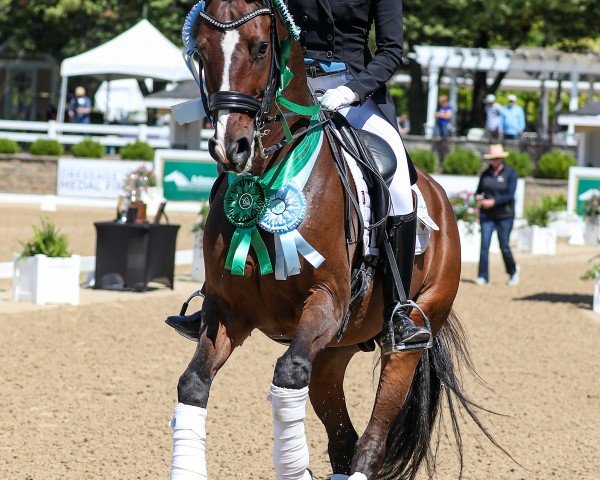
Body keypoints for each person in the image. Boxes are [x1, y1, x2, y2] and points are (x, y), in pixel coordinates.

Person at [167, 0, 430, 351]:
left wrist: (352, 90)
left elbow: (390, 52)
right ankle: (214, 297)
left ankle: (398, 308)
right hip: (289, 87)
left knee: (397, 182)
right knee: (233, 166)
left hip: (355, 92)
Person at [475, 144, 520, 286]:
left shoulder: (511, 173)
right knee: (484, 246)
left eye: (496, 159)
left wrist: (493, 202)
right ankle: (483, 275)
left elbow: (510, 195)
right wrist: (478, 198)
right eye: (492, 159)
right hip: (487, 215)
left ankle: (512, 271)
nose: (493, 161)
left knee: (504, 246)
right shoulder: (485, 174)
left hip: (505, 216)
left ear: (501, 159)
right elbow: (478, 190)